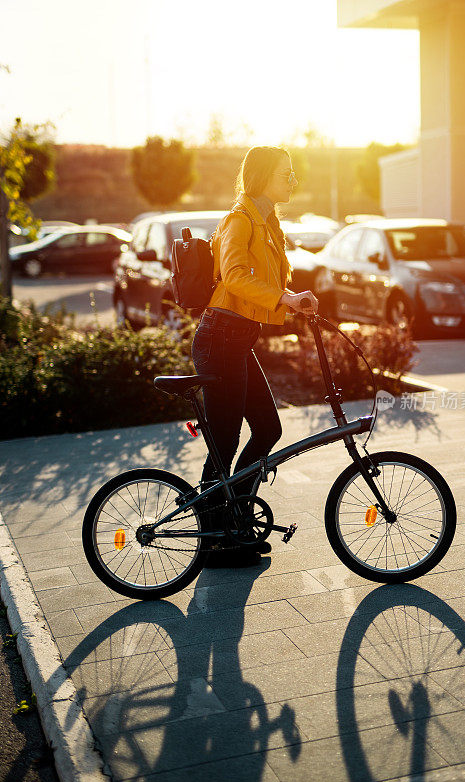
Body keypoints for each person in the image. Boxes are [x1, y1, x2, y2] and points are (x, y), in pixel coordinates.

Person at [191, 145, 318, 565]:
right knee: (225, 440)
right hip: (219, 337)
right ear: (262, 176)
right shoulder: (239, 221)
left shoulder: (267, 223)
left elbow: (269, 280)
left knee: (266, 429)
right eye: (286, 173)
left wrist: (293, 301)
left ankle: (236, 516)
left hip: (237, 338)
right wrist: (286, 298)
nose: (293, 179)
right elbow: (235, 277)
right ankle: (214, 536)